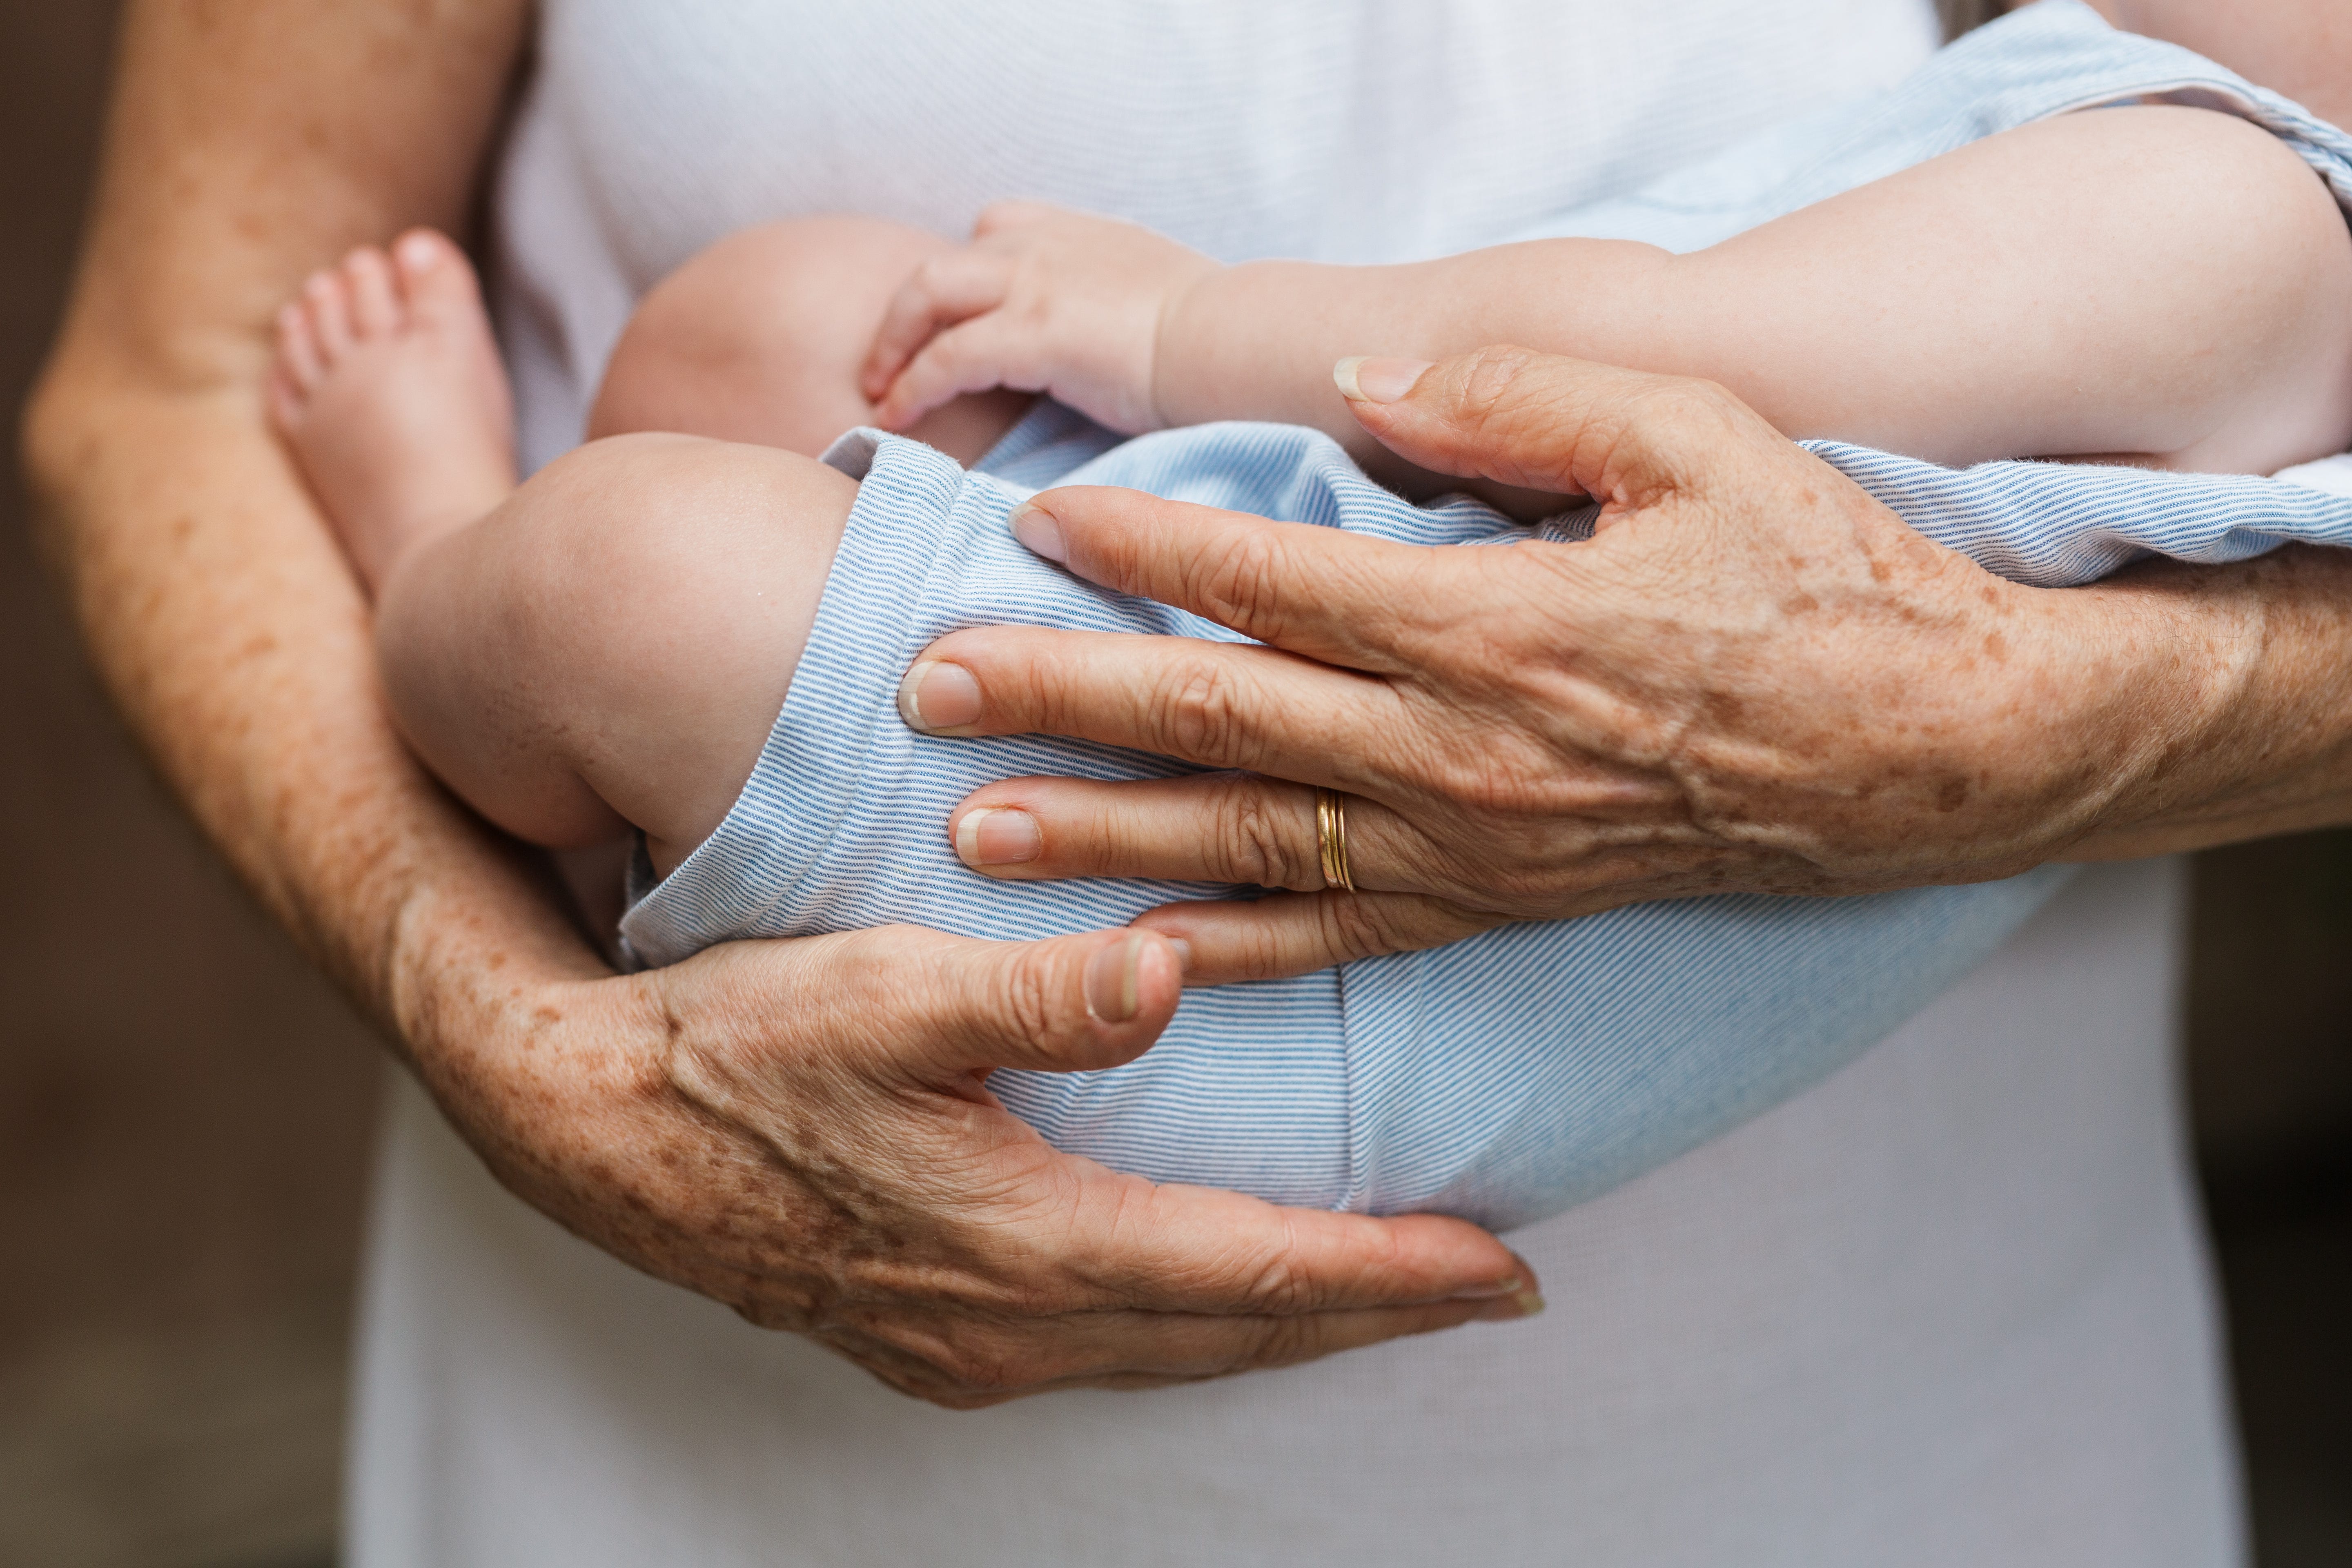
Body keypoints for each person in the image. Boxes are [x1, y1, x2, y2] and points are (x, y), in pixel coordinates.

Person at [20, 0, 2352, 1561]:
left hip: (1339, 1026)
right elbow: (172, 369)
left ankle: (468, 576)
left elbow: (1599, 357)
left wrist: (2036, 730)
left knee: (618, 581)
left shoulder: (2227, 213)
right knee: (766, 338)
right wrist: (507, 1024)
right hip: (1183, 742)